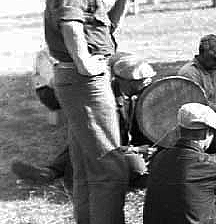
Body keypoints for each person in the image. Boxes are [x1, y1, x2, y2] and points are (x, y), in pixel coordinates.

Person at [42, 0, 136, 224]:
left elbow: (105, 31)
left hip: (79, 77)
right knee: (111, 165)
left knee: (84, 165)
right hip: (84, 80)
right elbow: (70, 23)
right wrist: (85, 63)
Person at [12, 55, 157, 189]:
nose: (147, 83)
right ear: (124, 81)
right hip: (109, 152)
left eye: (147, 79)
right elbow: (101, 144)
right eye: (141, 81)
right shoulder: (104, 103)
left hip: (132, 149)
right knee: (133, 166)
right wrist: (135, 150)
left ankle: (53, 172)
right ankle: (51, 172)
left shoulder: (146, 95)